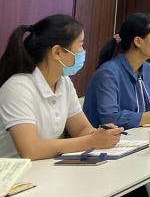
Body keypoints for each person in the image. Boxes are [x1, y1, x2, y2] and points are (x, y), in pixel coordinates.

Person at [0, 14, 123, 159]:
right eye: (80, 45)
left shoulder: (64, 83)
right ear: (57, 52)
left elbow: (81, 129)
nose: (83, 51)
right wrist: (92, 141)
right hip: (14, 172)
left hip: (45, 167)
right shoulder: (18, 87)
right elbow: (31, 150)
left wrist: (102, 135)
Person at [83, 13, 150, 129]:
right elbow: (110, 119)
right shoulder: (108, 73)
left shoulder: (149, 70)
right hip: (110, 140)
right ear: (138, 41)